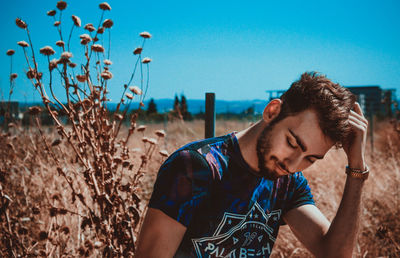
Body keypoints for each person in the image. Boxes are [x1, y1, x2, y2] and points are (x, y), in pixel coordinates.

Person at [135, 72, 369, 258]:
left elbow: (334, 254)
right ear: (272, 111)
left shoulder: (288, 184)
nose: (292, 165)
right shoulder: (196, 168)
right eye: (292, 143)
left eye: (310, 158)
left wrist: (356, 169)